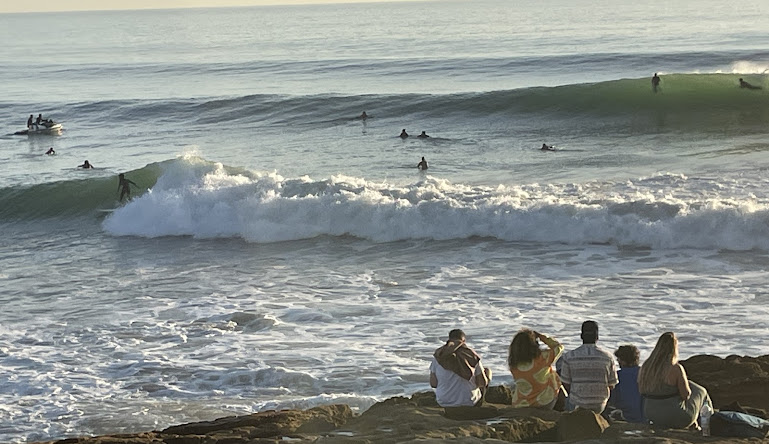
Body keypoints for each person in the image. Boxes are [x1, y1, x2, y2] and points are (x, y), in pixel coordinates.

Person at [638, 332, 712, 429]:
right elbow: (686, 395)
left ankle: (695, 424)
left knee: (686, 386)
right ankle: (709, 425)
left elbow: (641, 391)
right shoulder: (675, 368)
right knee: (702, 392)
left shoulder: (646, 366)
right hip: (676, 416)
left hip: (651, 413)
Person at [559, 320, 618, 413]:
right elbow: (611, 384)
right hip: (600, 405)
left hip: (577, 404)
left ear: (581, 336)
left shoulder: (569, 356)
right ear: (597, 337)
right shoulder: (607, 357)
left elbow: (566, 383)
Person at [429, 329, 491, 408]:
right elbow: (482, 383)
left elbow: (433, 384)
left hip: (443, 402)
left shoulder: (439, 356)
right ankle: (481, 401)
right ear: (464, 341)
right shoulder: (471, 355)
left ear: (449, 340)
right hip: (469, 402)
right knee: (487, 371)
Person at [508, 329, 564, 409]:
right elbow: (559, 347)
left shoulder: (513, 363)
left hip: (521, 404)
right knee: (553, 376)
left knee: (519, 384)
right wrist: (542, 337)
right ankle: (563, 408)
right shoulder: (543, 357)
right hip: (545, 402)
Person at [606, 345, 645, 423]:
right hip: (644, 415)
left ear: (623, 361)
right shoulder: (645, 373)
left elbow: (612, 399)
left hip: (625, 415)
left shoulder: (617, 376)